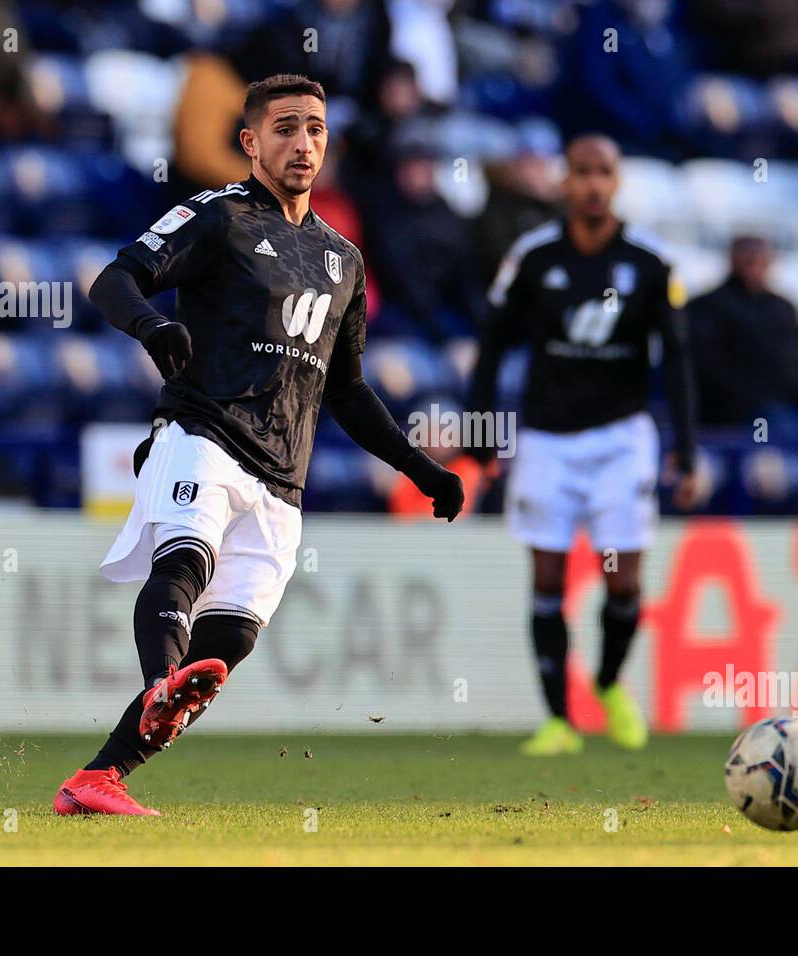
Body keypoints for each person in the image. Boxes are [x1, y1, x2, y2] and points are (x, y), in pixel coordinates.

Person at [55, 75, 464, 816]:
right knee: (184, 559)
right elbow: (116, 276)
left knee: (228, 642)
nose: (302, 142)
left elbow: (347, 389)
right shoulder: (219, 216)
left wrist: (420, 468)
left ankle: (98, 779)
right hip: (201, 431)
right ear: (250, 142)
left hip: (284, 478)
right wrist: (155, 326)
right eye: (284, 128)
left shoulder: (345, 258)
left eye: (314, 127)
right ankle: (156, 687)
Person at [468, 134, 698, 757]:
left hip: (623, 438)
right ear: (564, 181)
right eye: (581, 172)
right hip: (547, 437)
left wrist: (688, 448)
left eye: (604, 172)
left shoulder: (649, 261)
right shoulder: (534, 256)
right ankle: (557, 721)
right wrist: (479, 429)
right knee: (546, 573)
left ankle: (607, 683)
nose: (593, 184)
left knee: (622, 579)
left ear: (616, 182)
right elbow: (492, 344)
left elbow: (676, 358)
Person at [686, 236, 798, 428]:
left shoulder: (782, 308)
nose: (754, 265)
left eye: (759, 259)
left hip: (784, 404)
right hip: (726, 412)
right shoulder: (707, 306)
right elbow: (706, 365)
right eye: (747, 259)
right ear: (732, 260)